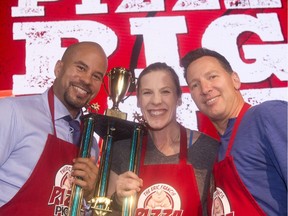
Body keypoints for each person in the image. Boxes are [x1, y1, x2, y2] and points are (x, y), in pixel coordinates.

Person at [0, 41, 108, 215]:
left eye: (96, 76)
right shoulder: (12, 112)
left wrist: (89, 195)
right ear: (59, 68)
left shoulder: (91, 143)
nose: (87, 80)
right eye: (81, 68)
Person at [181, 47, 287, 215]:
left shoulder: (268, 115)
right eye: (195, 84)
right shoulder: (217, 152)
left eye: (212, 76)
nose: (205, 89)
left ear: (235, 80)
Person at [107, 62, 219, 215]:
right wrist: (118, 201)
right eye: (147, 93)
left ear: (178, 98)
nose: (156, 101)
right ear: (138, 101)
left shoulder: (209, 149)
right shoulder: (122, 150)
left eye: (165, 92)